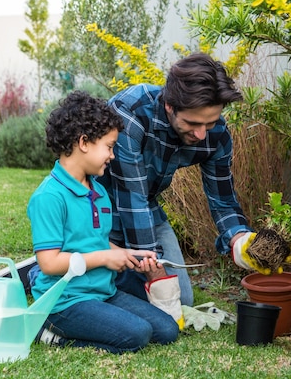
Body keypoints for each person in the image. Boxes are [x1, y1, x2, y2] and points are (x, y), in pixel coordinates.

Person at [27, 90, 179, 354]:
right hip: (64, 301)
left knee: (167, 330)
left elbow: (95, 240)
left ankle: (93, 320)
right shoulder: (49, 197)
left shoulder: (98, 190)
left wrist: (124, 253)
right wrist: (105, 258)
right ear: (84, 142)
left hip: (102, 291)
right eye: (109, 147)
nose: (112, 155)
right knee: (138, 335)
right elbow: (49, 263)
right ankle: (50, 333)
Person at [96, 53, 254, 307]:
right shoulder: (132, 113)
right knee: (131, 291)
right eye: (192, 123)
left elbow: (223, 200)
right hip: (97, 208)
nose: (202, 134)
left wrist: (240, 240)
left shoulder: (216, 135)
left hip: (147, 207)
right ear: (170, 105)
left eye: (210, 123)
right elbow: (131, 199)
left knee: (183, 301)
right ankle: (65, 255)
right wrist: (155, 273)